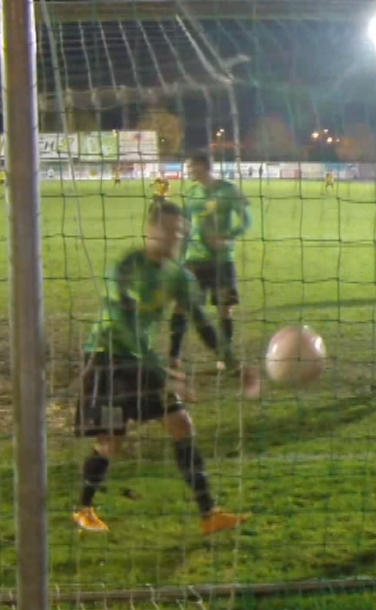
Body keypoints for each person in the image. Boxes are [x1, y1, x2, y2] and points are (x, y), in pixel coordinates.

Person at [73, 200, 250, 537]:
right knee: (110, 441)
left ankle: (209, 514)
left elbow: (202, 322)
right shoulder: (127, 266)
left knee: (181, 424)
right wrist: (165, 373)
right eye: (168, 231)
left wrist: (233, 364)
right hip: (107, 360)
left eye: (180, 232)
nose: (175, 239)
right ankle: (84, 508)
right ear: (150, 230)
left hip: (141, 362)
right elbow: (125, 327)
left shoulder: (179, 275)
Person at [170, 152, 253, 369]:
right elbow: (186, 227)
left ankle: (224, 355)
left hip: (221, 261)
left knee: (225, 308)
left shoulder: (227, 190)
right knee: (181, 306)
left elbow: (246, 220)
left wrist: (227, 236)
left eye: (192, 167)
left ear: (204, 166)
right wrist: (180, 258)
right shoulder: (191, 193)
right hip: (194, 260)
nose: (189, 171)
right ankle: (173, 357)